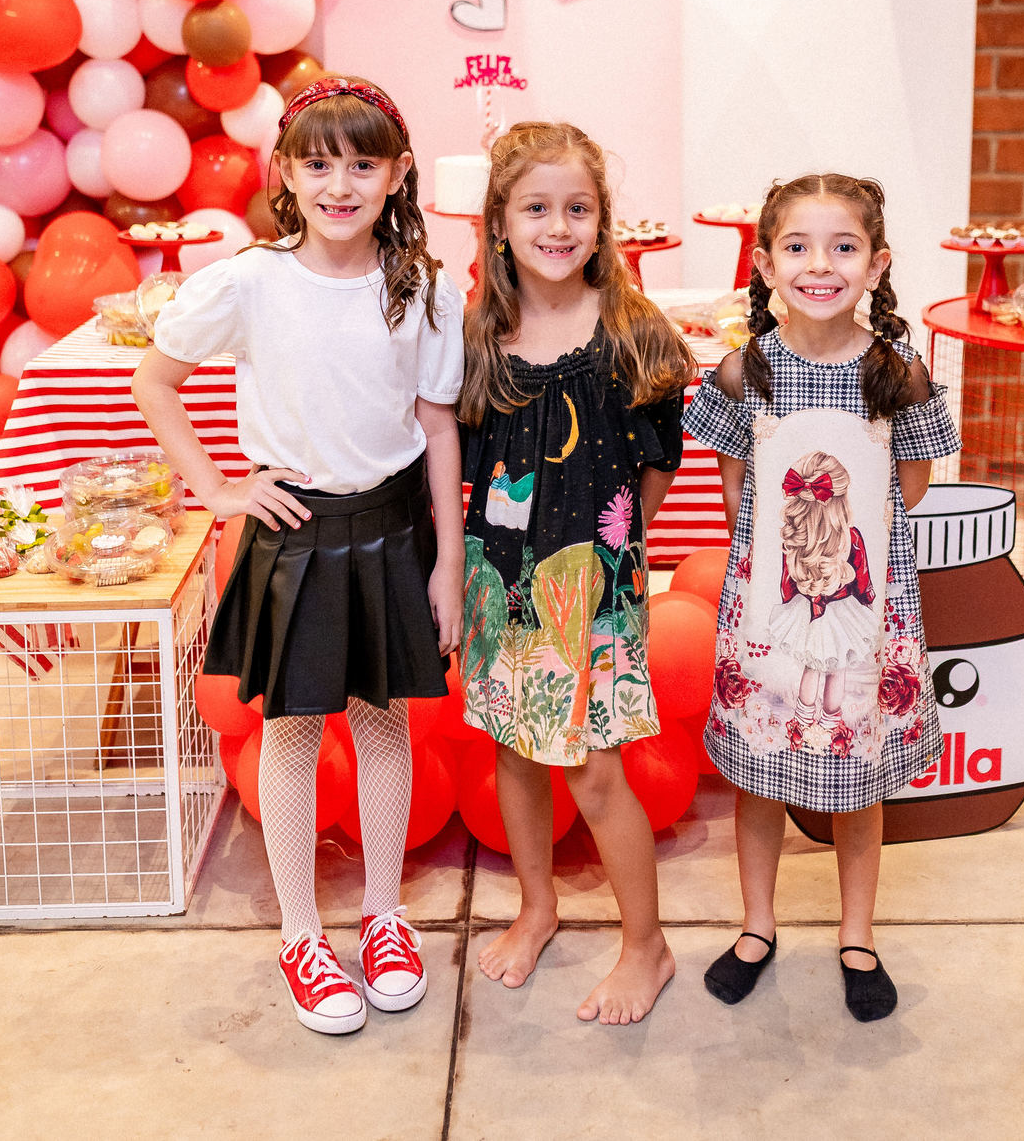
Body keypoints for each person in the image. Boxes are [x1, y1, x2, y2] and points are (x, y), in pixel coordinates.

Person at [132, 77, 465, 1036]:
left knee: (384, 721)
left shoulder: (421, 287)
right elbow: (157, 379)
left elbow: (438, 424)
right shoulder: (251, 281)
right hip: (296, 532)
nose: (340, 185)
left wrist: (446, 561)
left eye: (363, 164)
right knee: (293, 729)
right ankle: (302, 935)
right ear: (284, 172)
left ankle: (386, 917)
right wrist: (219, 487)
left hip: (395, 524)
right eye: (318, 164)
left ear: (398, 174)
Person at [683, 173, 960, 1023]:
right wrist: (787, 562)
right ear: (767, 264)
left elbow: (909, 488)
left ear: (876, 264)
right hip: (766, 609)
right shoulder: (746, 371)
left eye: (843, 248)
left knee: (857, 778)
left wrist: (840, 551)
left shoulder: (897, 374)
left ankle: (857, 935)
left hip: (866, 616)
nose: (819, 266)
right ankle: (757, 926)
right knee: (760, 772)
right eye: (797, 247)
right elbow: (736, 493)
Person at [459, 121, 697, 1025]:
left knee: (596, 773)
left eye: (578, 209)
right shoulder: (482, 336)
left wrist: (613, 556)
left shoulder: (631, 332)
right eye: (536, 208)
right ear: (500, 221)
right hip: (500, 583)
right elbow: (467, 460)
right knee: (514, 749)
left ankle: (647, 946)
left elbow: (659, 462)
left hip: (593, 593)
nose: (557, 227)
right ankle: (538, 907)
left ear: (602, 222)